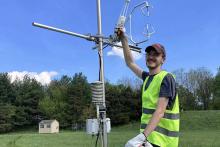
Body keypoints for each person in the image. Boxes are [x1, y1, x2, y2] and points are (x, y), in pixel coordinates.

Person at [117, 28, 180, 147]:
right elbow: (130, 63)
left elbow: (160, 111)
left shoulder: (166, 78)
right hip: (149, 138)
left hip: (163, 142)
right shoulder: (147, 78)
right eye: (149, 54)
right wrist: (124, 40)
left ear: (163, 59)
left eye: (156, 54)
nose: (151, 57)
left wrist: (141, 137)